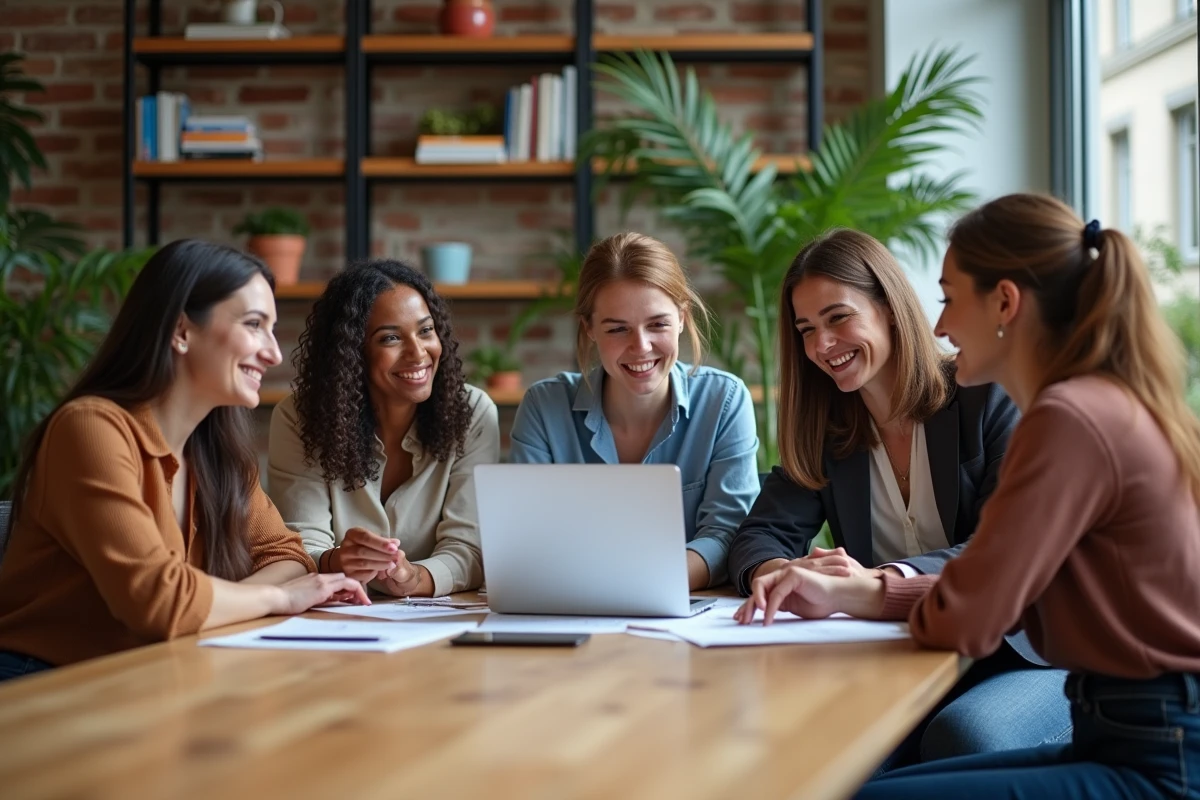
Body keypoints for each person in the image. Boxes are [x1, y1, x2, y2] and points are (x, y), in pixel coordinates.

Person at [738, 194, 1200, 798]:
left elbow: (975, 610)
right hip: (1126, 730)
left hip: (1157, 752)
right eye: (807, 329)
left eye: (950, 299)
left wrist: (862, 591)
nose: (939, 325)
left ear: (1005, 302)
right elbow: (997, 592)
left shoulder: (1065, 418)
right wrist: (828, 584)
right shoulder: (1095, 405)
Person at [727, 228, 1071, 765]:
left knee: (964, 737)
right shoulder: (829, 428)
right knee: (810, 738)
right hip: (904, 655)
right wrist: (778, 577)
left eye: (838, 318)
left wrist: (874, 583)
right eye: (806, 329)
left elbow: (1000, 552)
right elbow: (759, 534)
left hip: (1024, 654)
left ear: (889, 307)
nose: (821, 345)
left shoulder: (988, 396)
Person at [0, 239, 368, 681]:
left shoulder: (215, 449)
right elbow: (158, 602)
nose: (273, 353)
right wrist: (278, 599)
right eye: (254, 325)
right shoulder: (90, 430)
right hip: (43, 684)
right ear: (180, 331)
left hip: (150, 672)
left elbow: (288, 555)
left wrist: (207, 603)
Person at [509, 232, 759, 589]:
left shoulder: (724, 401)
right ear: (590, 328)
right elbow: (526, 538)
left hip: (685, 613)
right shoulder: (545, 407)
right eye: (617, 329)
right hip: (571, 608)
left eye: (657, 324)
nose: (640, 347)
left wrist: (635, 582)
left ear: (682, 318)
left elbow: (727, 535)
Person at [268, 260, 498, 598]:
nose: (418, 353)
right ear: (352, 353)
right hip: (334, 621)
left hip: (435, 623)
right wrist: (336, 560)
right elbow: (298, 546)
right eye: (390, 338)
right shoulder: (300, 418)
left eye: (426, 330)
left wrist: (414, 577)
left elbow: (471, 549)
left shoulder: (473, 413)